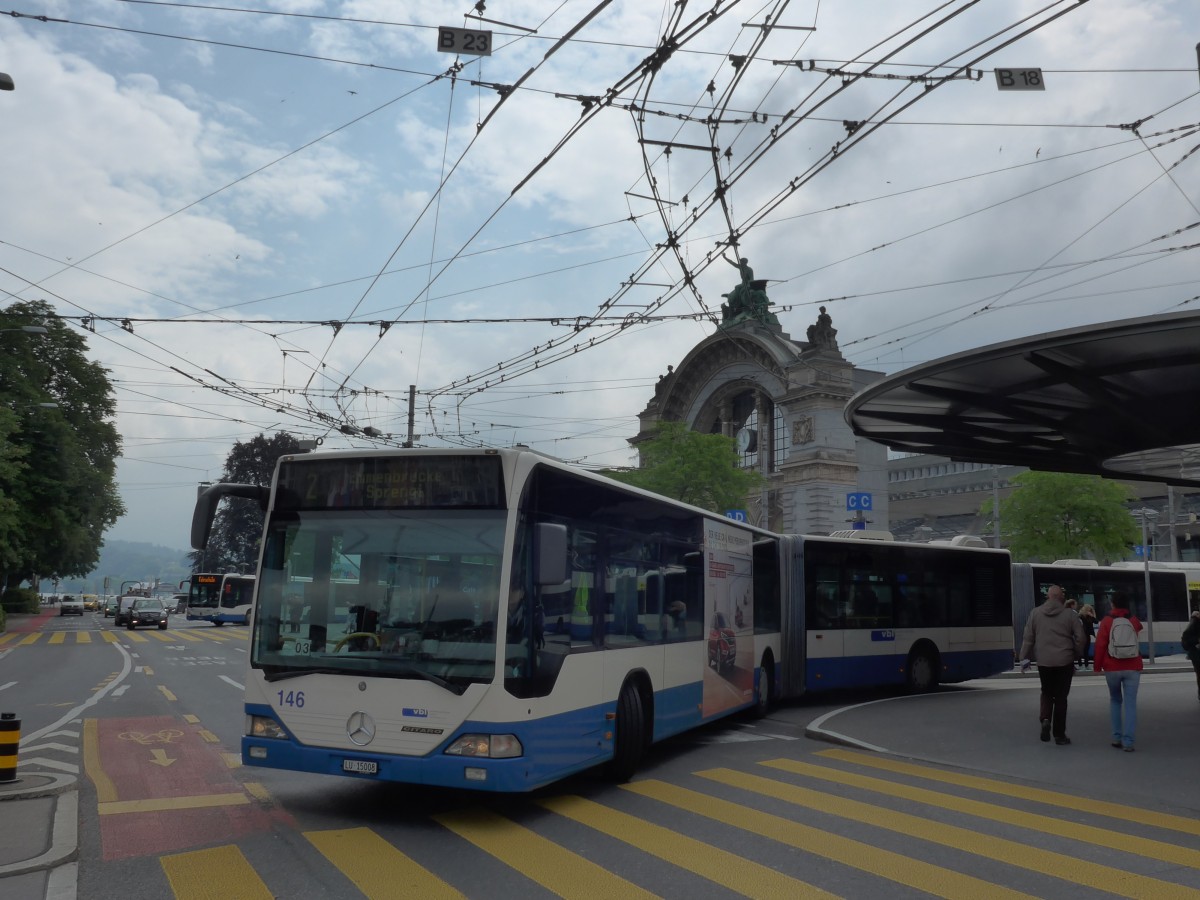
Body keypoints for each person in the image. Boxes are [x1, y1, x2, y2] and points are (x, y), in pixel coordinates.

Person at [1019, 584, 1085, 745]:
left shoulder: (1035, 613)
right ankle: (1059, 735)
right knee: (1061, 698)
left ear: (1048, 597)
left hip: (1044, 662)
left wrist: (1024, 658)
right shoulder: (1070, 615)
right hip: (1065, 661)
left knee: (1047, 692)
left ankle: (1045, 719)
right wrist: (1076, 654)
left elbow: (1028, 638)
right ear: (1061, 598)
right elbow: (1081, 637)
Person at [1093, 591, 1144, 751]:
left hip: (1112, 666)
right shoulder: (1133, 620)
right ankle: (1128, 742)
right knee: (1130, 704)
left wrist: (1097, 666)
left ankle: (1116, 737)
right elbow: (1139, 628)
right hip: (1133, 666)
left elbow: (1100, 645)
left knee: (1115, 700)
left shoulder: (1106, 621)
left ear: (1112, 604)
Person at [1180, 609, 1200, 702]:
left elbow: (1185, 641)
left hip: (1194, 655)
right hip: (1196, 654)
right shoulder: (1195, 624)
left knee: (1198, 674)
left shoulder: (1191, 626)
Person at [1078, 603, 1097, 668]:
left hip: (1087, 635)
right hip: (1081, 635)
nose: (1090, 611)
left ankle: (1086, 665)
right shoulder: (1080, 616)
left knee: (1086, 650)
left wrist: (1092, 616)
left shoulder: (1090, 617)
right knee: (1080, 650)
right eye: (1089, 610)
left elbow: (1096, 622)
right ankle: (1080, 664)